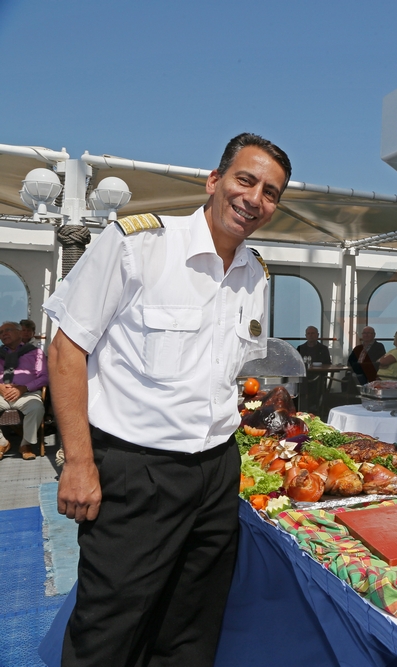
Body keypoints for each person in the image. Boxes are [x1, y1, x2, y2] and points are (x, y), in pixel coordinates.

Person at [43, 132, 291, 666]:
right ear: (214, 181)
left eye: (270, 192)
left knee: (190, 635)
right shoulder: (137, 244)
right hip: (137, 472)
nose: (254, 199)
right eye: (245, 181)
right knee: (107, 635)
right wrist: (79, 462)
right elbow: (66, 350)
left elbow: (222, 372)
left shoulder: (256, 274)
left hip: (217, 472)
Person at [0, 320, 47, 460]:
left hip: (27, 393)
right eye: (1, 332)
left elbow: (44, 377)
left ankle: (25, 444)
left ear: (20, 333)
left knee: (36, 407)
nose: (3, 334)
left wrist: (24, 388)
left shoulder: (35, 353)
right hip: (2, 394)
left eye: (7, 330)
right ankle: (2, 442)